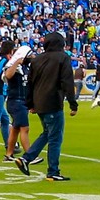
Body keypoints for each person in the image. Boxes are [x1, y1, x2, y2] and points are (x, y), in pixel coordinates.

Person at [17, 32, 77, 182]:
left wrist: (30, 103)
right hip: (53, 101)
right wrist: (72, 103)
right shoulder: (63, 58)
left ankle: (26, 158)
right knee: (55, 137)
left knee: (47, 132)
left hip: (39, 101)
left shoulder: (37, 60)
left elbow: (30, 83)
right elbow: (67, 82)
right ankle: (53, 171)